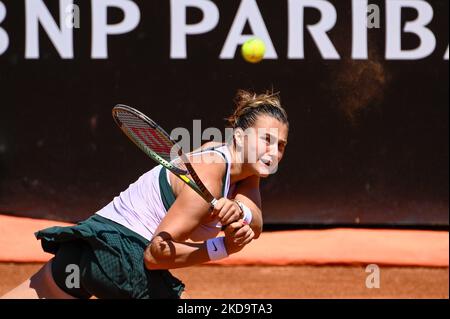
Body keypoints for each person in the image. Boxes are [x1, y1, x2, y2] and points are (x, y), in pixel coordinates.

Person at [2, 90, 289, 299]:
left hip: (88, 248)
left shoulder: (248, 171)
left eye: (281, 146)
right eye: (266, 140)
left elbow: (256, 222)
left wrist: (240, 212)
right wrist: (222, 248)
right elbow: (156, 254)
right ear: (239, 137)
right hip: (122, 257)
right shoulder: (210, 173)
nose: (273, 152)